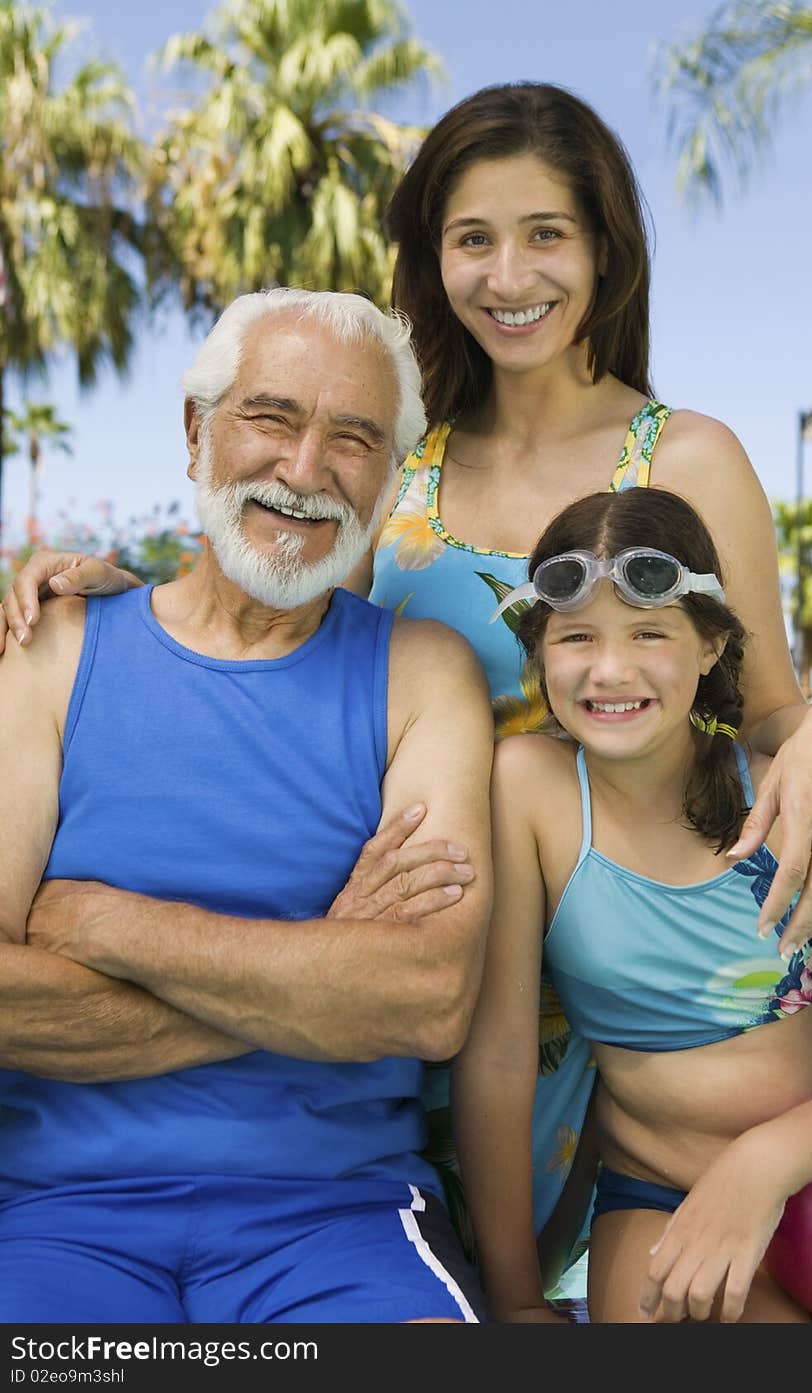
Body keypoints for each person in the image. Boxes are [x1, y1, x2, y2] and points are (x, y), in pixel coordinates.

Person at [3, 81, 812, 1286]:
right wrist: (107, 588)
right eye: (472, 238)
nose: (508, 274)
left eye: (545, 234)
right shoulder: (391, 464)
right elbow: (269, 585)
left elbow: (761, 702)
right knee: (462, 1275)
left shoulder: (686, 459)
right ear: (432, 256)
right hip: (443, 976)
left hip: (618, 974)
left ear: (604, 251)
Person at [0, 287, 495, 1323]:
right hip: (51, 1214)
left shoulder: (422, 674)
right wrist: (318, 973)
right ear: (195, 431)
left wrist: (97, 920)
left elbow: (426, 996)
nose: (305, 469)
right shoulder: (54, 648)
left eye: (353, 438)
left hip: (342, 1219)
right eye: (271, 417)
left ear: (389, 474)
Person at [453, 485, 812, 1323]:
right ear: (540, 651)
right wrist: (514, 1298)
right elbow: (500, 1057)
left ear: (712, 644)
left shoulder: (803, 796)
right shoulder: (531, 791)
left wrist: (766, 1160)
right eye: (577, 637)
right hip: (662, 1202)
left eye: (649, 633)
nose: (611, 671)